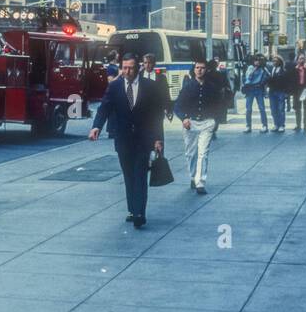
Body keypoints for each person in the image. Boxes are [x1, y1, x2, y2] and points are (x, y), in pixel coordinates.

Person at [87, 54, 166, 229]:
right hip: (123, 139)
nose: (127, 71)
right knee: (129, 175)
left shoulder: (149, 86)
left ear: (138, 68)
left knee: (140, 175)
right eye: (124, 68)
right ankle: (132, 209)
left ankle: (139, 213)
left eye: (130, 68)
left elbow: (156, 115)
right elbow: (104, 108)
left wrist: (158, 139)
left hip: (143, 139)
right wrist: (96, 126)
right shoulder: (115, 86)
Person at [174, 59, 218, 195]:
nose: (200, 70)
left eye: (202, 68)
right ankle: (193, 177)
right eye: (197, 67)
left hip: (207, 123)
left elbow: (219, 105)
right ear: (194, 70)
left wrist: (215, 121)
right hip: (190, 123)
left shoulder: (212, 87)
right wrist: (184, 118)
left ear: (206, 70)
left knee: (203, 153)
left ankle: (200, 182)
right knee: (191, 153)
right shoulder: (188, 87)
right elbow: (177, 106)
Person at [140, 53, 175, 121]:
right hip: (142, 113)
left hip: (157, 113)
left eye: (150, 63)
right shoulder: (138, 76)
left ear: (154, 64)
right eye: (145, 63)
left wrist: (168, 109)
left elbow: (166, 95)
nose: (147, 65)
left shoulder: (161, 78)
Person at [242, 56, 269, 133]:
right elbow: (248, 77)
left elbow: (268, 76)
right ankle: (248, 126)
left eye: (258, 61)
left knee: (261, 108)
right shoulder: (250, 68)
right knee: (248, 108)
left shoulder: (263, 69)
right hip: (250, 89)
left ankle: (264, 125)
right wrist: (254, 70)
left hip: (259, 89)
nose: (257, 62)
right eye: (255, 60)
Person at [289, 53, 306, 132]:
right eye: (300, 58)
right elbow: (292, 81)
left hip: (305, 90)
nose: (301, 60)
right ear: (297, 60)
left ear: (305, 60)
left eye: (303, 58)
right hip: (297, 90)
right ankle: (298, 125)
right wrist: (292, 91)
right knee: (297, 108)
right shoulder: (294, 69)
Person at [265, 55, 288, 132]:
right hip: (272, 91)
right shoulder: (271, 69)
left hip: (280, 91)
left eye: (275, 61)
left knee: (281, 109)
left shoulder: (283, 71)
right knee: (273, 109)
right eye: (273, 61)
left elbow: (285, 82)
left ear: (279, 62)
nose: (274, 62)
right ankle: (276, 124)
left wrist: (286, 92)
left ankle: (281, 125)